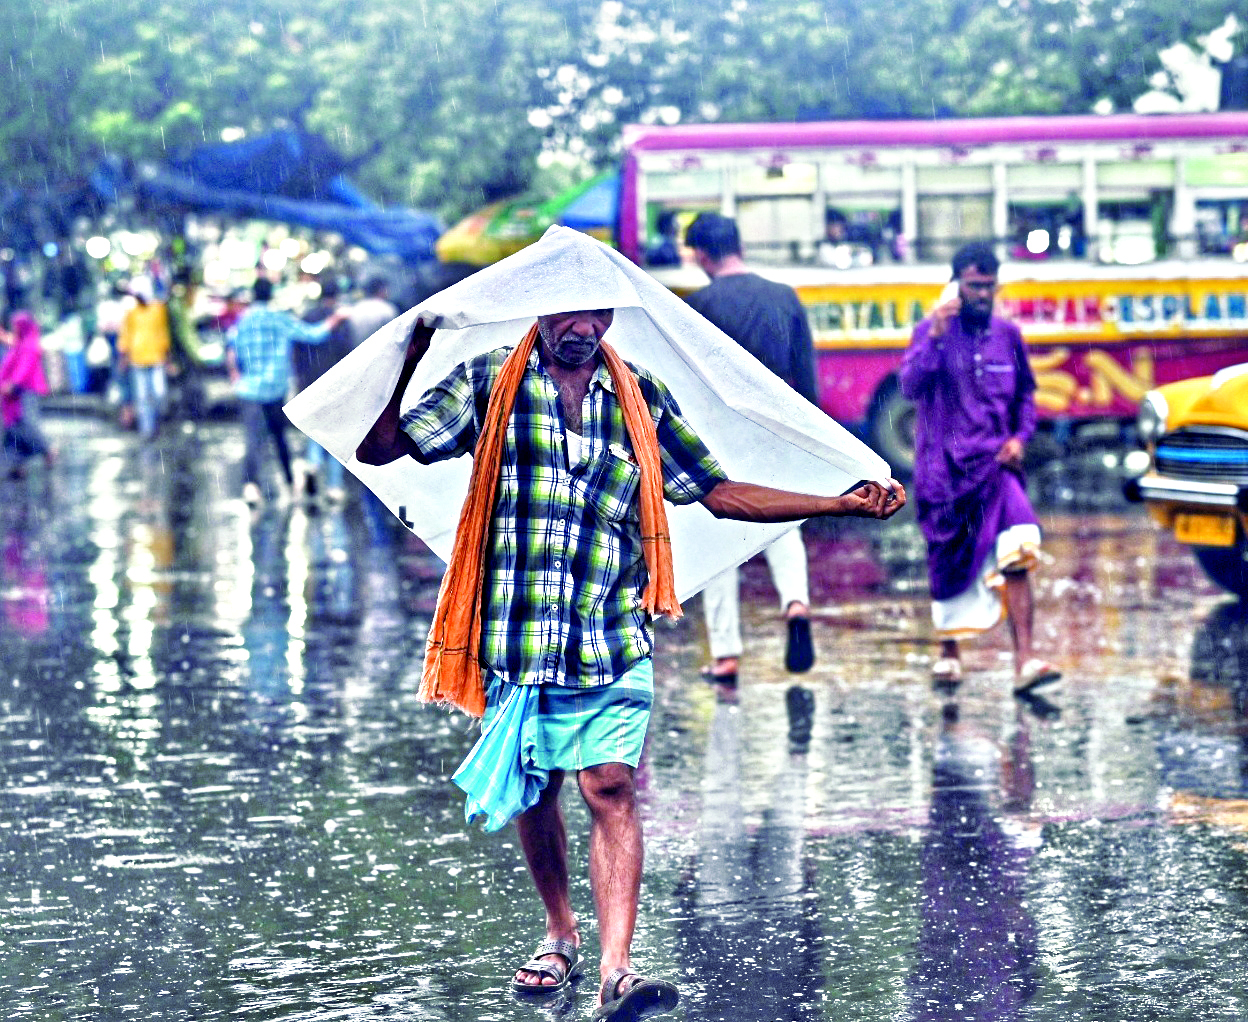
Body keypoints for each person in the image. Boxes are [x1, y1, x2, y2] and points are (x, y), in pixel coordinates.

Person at [355, 306, 904, 1021]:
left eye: (595, 314)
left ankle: (618, 966)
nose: (581, 327)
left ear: (610, 314)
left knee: (610, 785)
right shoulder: (491, 379)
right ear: (543, 309)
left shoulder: (640, 397)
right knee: (534, 789)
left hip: (612, 629)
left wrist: (836, 504)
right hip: (520, 633)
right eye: (567, 313)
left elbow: (719, 491)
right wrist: (413, 359)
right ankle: (560, 935)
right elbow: (382, 448)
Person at [899, 241, 1060, 695]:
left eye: (990, 286)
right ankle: (950, 653)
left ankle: (1026, 661)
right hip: (943, 472)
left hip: (996, 467)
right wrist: (934, 335)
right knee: (948, 560)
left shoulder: (1008, 336)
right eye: (974, 286)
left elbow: (1027, 394)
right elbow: (910, 387)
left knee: (1019, 547)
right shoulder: (930, 332)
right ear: (956, 286)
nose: (984, 295)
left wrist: (1018, 438)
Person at [684, 212, 820, 686]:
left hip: (721, 439)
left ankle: (726, 655)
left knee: (721, 541)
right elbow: (805, 376)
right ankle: (796, 603)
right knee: (784, 524)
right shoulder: (783, 297)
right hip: (778, 435)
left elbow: (691, 382)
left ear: (702, 253)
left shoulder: (697, 305)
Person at [227, 277, 344, 506]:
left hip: (249, 389)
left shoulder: (244, 321)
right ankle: (290, 482)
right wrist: (335, 320)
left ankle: (251, 486)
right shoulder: (280, 320)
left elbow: (232, 349)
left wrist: (236, 374)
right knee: (279, 436)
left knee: (253, 439)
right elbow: (313, 335)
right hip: (274, 388)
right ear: (271, 295)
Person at [293, 279, 356, 504]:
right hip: (334, 383)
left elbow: (298, 350)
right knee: (335, 433)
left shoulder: (307, 317)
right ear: (337, 295)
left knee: (315, 427)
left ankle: (313, 463)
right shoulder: (341, 321)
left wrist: (300, 378)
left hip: (310, 382)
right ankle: (334, 487)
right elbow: (348, 352)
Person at [117, 276, 172, 440]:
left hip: (156, 358)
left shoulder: (158, 309)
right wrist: (123, 357)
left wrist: (168, 358)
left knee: (158, 393)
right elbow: (126, 335)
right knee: (142, 397)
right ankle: (147, 430)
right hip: (137, 359)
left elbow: (163, 333)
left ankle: (156, 423)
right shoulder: (131, 312)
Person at [0, 312, 53, 479]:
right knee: (14, 431)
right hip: (14, 395)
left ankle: (47, 449)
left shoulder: (29, 345)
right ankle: (16, 464)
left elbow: (25, 369)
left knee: (27, 426)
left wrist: (13, 384)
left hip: (25, 391)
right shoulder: (19, 344)